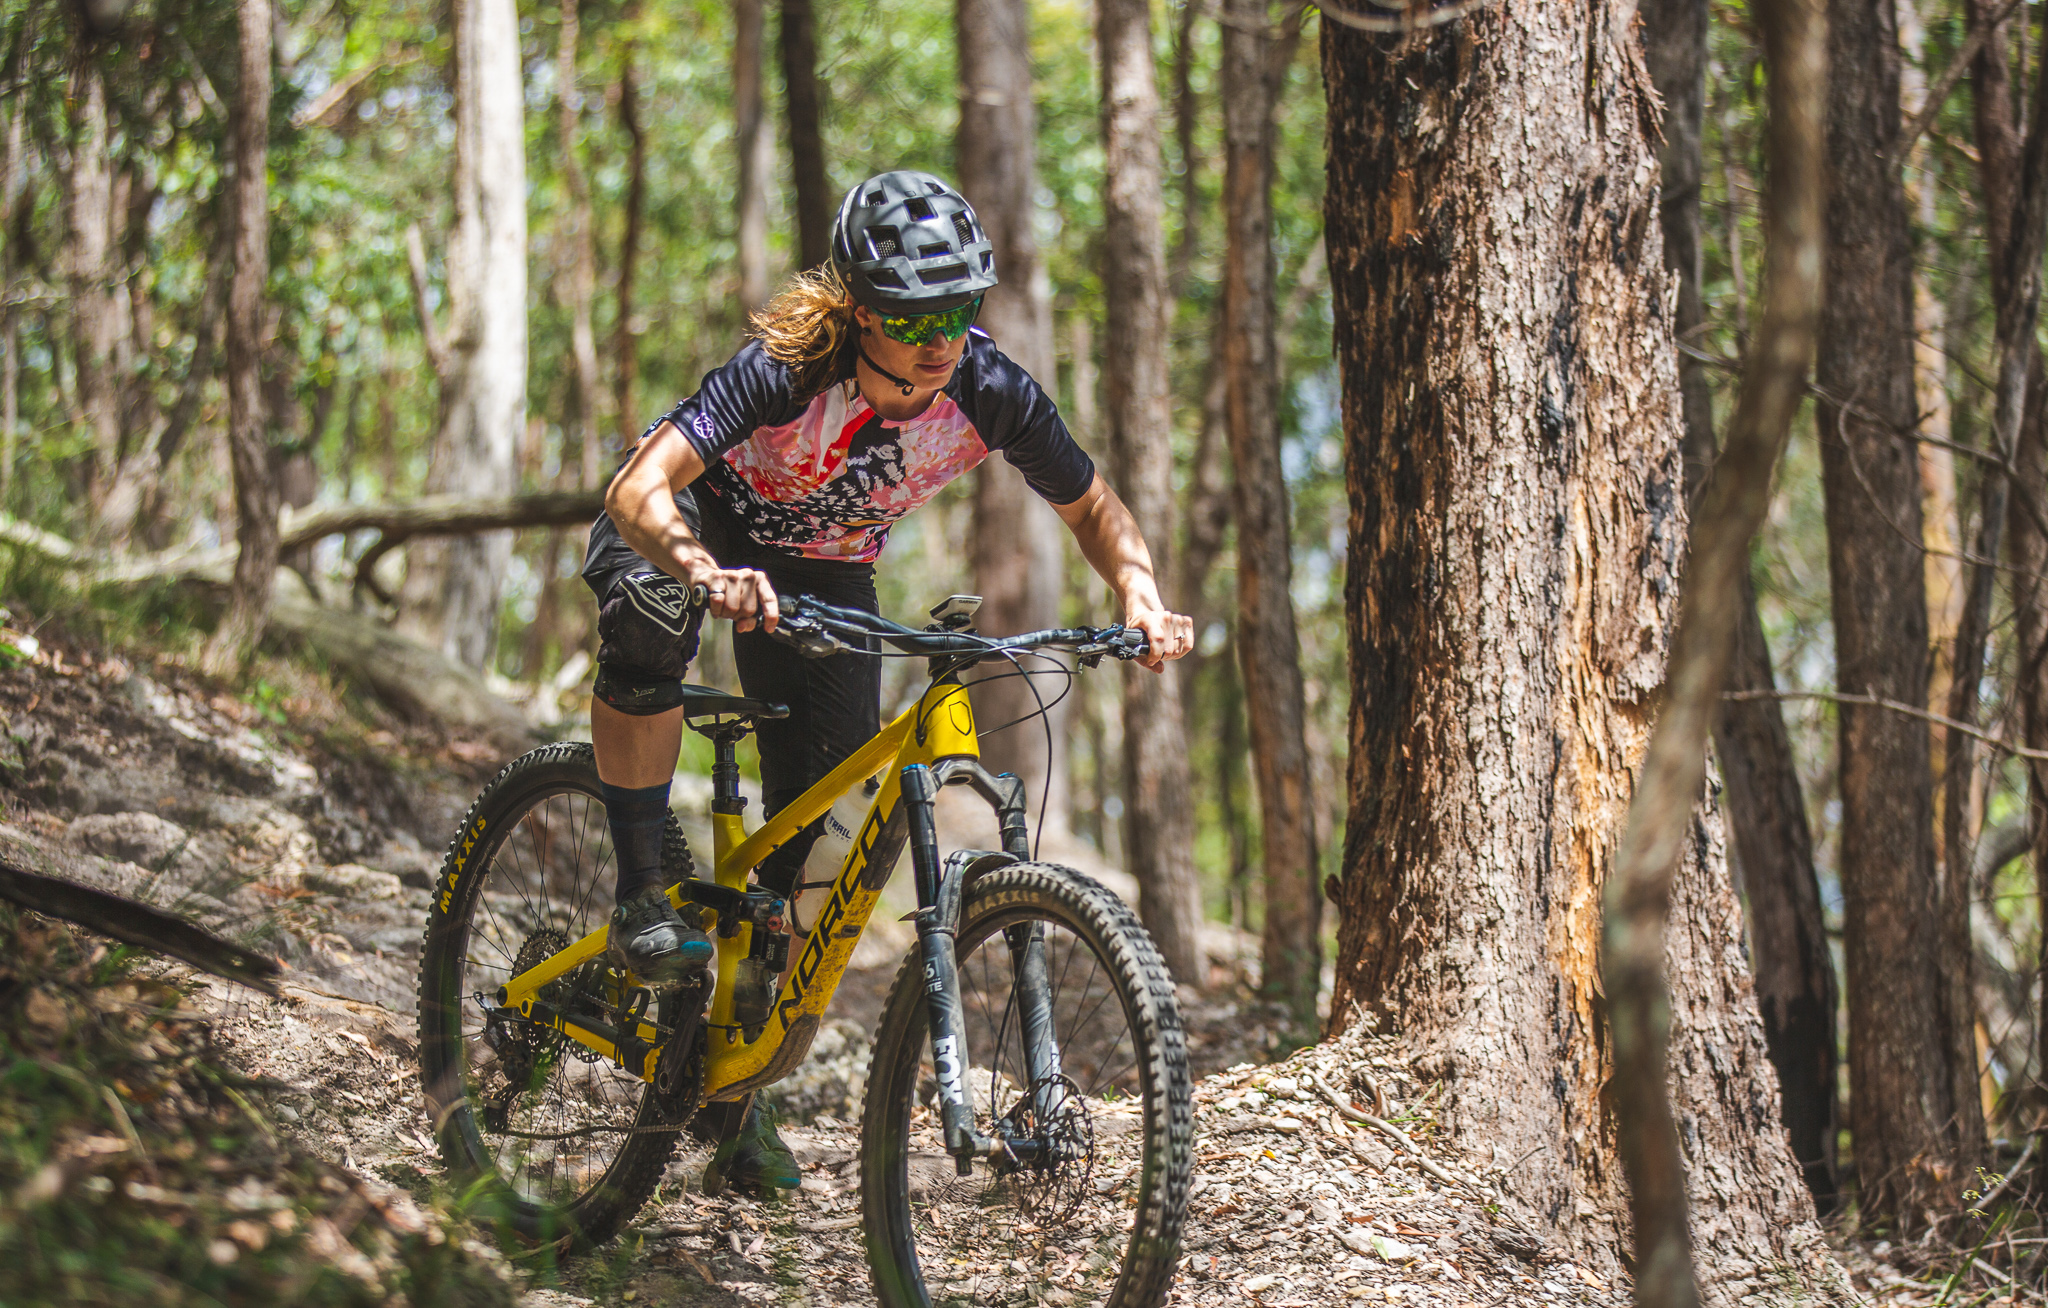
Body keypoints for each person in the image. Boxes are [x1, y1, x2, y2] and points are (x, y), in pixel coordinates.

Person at [580, 169, 1194, 1194]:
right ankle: (641, 886)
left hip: (824, 569)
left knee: (818, 843)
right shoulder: (787, 369)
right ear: (862, 309)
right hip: (699, 526)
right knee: (650, 609)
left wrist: (1139, 593)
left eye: (959, 310)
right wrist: (699, 569)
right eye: (913, 318)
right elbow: (637, 487)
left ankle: (733, 1097)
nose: (939, 339)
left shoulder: (988, 387)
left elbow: (1091, 505)